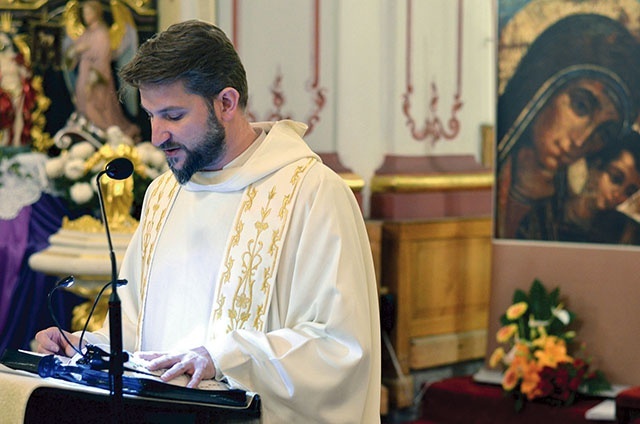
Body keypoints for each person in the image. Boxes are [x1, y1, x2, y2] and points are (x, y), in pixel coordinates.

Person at [35, 19, 381, 423]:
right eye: (150, 116)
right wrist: (87, 348)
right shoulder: (163, 194)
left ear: (227, 103)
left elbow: (340, 347)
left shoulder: (312, 193)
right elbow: (138, 326)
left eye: (173, 116)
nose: (157, 136)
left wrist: (222, 358)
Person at [496, 13, 640, 239]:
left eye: (602, 133)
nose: (580, 142)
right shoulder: (483, 161)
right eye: (581, 106)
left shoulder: (561, 209)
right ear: (542, 85)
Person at [517, 130, 640, 243]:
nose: (618, 194)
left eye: (629, 191)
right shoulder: (542, 213)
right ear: (596, 165)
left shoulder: (625, 232)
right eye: (615, 178)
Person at [65, 0, 140, 140]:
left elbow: (102, 58)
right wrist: (76, 49)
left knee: (97, 105)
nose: (85, 16)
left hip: (97, 77)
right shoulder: (86, 33)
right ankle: (87, 132)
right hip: (83, 73)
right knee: (82, 101)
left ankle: (101, 134)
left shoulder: (101, 33)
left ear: (96, 13)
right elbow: (70, 56)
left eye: (88, 12)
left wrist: (93, 78)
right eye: (84, 13)